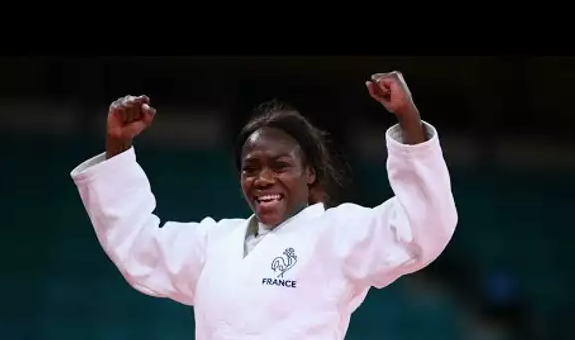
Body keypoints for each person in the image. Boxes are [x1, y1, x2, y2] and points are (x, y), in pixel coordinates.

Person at [70, 71, 458, 339]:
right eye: (250, 168)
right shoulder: (213, 242)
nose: (263, 179)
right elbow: (138, 248)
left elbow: (420, 228)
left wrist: (408, 116)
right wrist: (118, 144)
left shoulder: (338, 234)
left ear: (310, 173)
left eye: (281, 165)